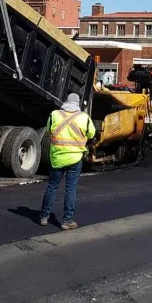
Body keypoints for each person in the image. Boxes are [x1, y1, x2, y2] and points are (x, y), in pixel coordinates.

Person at [39, 92, 96, 230]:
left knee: (52, 187)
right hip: (75, 159)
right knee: (70, 189)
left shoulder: (54, 115)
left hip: (57, 158)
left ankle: (44, 217)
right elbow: (92, 134)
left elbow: (48, 130)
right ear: (77, 103)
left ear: (66, 101)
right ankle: (67, 221)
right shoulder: (84, 117)